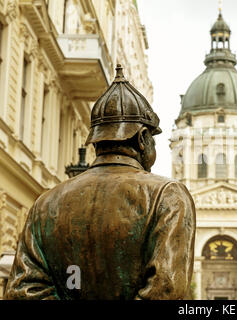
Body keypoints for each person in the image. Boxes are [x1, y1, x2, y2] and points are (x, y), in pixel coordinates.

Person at [5, 65, 196, 300]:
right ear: (142, 140)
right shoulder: (168, 196)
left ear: (96, 141)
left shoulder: (45, 203)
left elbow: (22, 290)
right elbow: (166, 289)